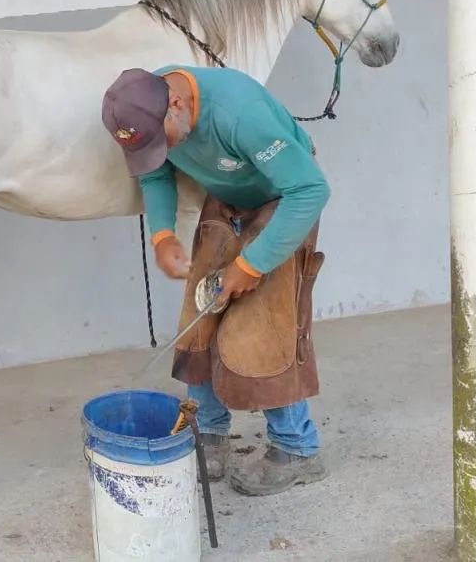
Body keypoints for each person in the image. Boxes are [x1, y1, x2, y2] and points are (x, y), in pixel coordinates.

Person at [101, 65, 330, 496]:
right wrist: (163, 234)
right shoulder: (145, 106)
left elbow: (310, 190)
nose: (161, 150)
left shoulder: (239, 114)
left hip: (285, 201)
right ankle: (209, 432)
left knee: (262, 328)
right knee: (199, 319)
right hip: (227, 198)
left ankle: (298, 449)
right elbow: (153, 171)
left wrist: (253, 263)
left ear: (177, 104)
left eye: (162, 140)